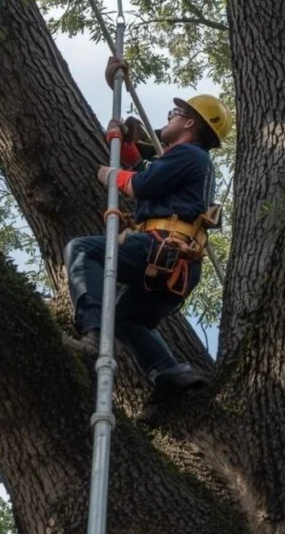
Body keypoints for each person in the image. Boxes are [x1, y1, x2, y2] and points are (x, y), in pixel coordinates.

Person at [64, 57, 233, 400]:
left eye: (174, 114)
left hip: (161, 249)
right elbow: (142, 165)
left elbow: (140, 184)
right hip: (176, 262)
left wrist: (110, 175)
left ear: (188, 123)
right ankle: (169, 373)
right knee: (128, 318)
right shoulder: (185, 161)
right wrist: (124, 140)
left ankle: (93, 334)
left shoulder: (191, 156)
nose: (168, 117)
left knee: (81, 249)